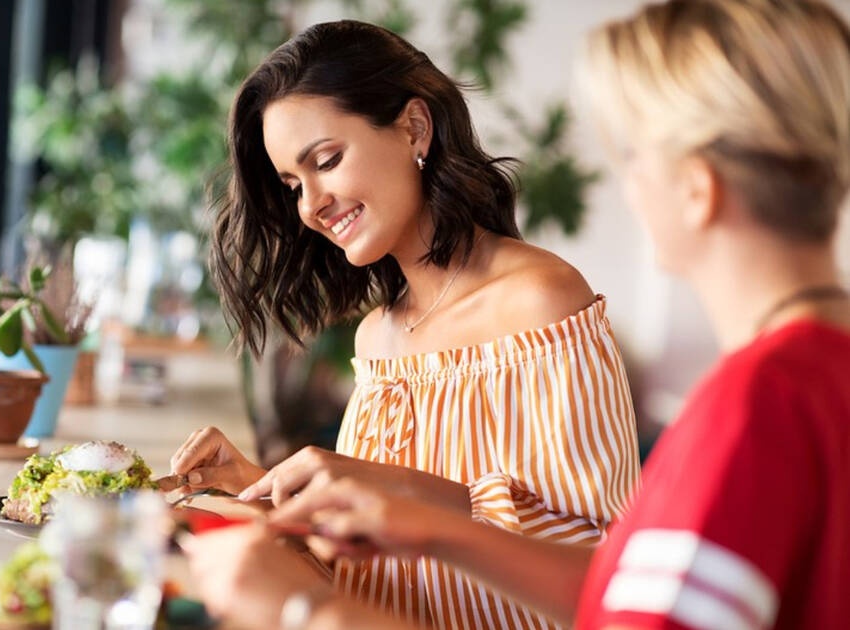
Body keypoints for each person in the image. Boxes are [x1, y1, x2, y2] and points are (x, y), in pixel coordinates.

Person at [184, 1, 850, 629]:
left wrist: (305, 607)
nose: (309, 207)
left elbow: (607, 592)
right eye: (294, 186)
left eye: (633, 157)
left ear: (697, 189)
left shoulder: (751, 408)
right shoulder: (803, 380)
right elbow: (621, 594)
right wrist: (294, 503)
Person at [171, 18, 640, 630]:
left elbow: (606, 568)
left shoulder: (540, 302)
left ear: (414, 128)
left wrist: (386, 487)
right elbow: (374, 584)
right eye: (292, 185)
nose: (310, 206)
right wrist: (260, 493)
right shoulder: (378, 339)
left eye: (327, 160)